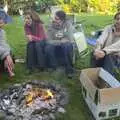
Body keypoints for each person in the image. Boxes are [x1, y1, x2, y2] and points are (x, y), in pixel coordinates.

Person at [45, 10, 75, 78]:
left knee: (67, 45)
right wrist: (60, 41)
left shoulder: (68, 24)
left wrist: (58, 40)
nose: (54, 20)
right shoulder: (51, 25)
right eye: (54, 18)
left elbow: (70, 39)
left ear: (62, 20)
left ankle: (69, 69)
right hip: (55, 45)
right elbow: (48, 40)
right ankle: (54, 67)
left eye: (57, 19)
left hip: (65, 46)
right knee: (48, 47)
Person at [92, 11, 120, 76]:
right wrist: (98, 48)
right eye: (117, 19)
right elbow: (102, 38)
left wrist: (104, 51)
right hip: (103, 52)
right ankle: (93, 74)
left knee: (110, 57)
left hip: (116, 56)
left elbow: (118, 45)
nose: (119, 21)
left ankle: (105, 80)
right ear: (114, 20)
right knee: (94, 52)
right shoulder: (108, 27)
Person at [0, 10, 15, 77]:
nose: (2, 24)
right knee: (6, 54)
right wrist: (6, 54)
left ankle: (8, 68)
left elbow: (3, 43)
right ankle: (8, 69)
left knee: (10, 52)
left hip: (1, 49)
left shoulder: (2, 32)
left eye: (2, 22)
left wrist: (8, 53)